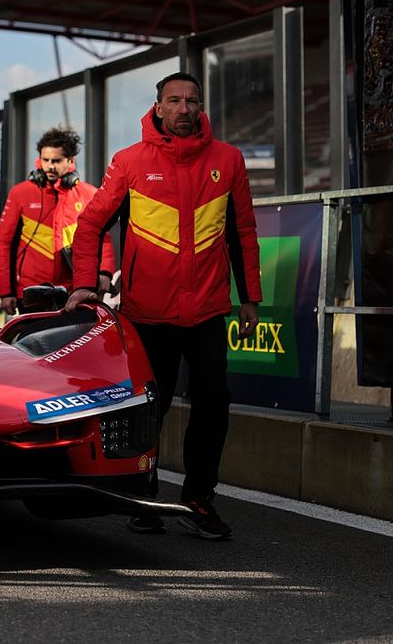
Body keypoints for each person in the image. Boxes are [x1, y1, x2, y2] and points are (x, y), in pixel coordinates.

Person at [63, 72, 262, 540]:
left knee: (214, 403)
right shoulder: (129, 162)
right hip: (148, 313)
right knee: (152, 406)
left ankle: (199, 499)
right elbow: (89, 227)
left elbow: (243, 234)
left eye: (192, 101)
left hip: (209, 310)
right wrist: (83, 285)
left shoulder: (229, 160)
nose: (184, 108)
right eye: (174, 100)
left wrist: (251, 298)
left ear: (200, 107)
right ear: (158, 106)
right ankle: (145, 498)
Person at [0, 126, 115, 314]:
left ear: (70, 161)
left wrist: (105, 272)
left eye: (56, 161)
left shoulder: (88, 194)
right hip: (31, 291)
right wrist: (6, 292)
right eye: (45, 160)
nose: (50, 166)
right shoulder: (20, 193)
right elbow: (4, 244)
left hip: (74, 290)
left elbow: (103, 238)